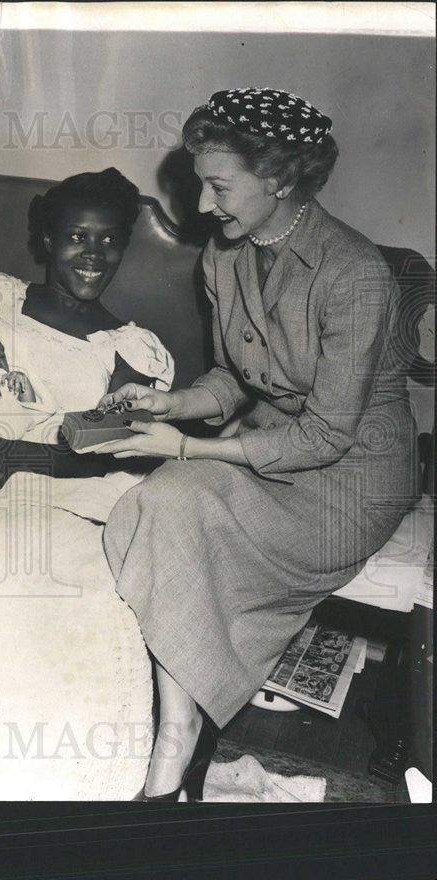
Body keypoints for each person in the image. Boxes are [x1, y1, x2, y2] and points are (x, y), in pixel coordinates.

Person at [95, 88, 418, 801]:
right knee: (161, 502)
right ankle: (178, 737)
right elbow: (233, 377)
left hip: (350, 478)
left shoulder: (354, 273)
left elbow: (328, 434)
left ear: (279, 178)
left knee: (178, 489)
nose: (205, 207)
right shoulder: (224, 256)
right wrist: (173, 402)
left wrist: (185, 447)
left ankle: (185, 730)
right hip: (275, 446)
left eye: (218, 186)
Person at [0, 168, 175, 498]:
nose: (94, 253)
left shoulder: (131, 349)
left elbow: (114, 451)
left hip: (44, 490)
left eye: (108, 239)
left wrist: (12, 457)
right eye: (77, 237)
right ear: (50, 240)